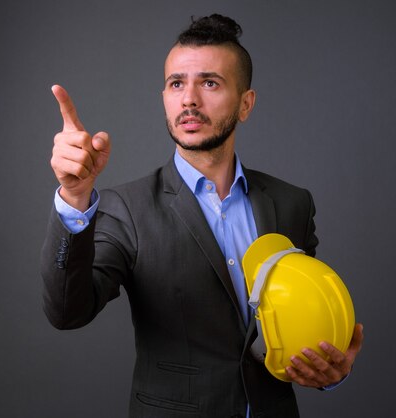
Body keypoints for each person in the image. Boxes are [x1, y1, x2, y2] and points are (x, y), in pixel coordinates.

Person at [41, 13, 363, 418]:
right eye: (177, 84)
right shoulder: (128, 207)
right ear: (164, 97)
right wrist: (73, 197)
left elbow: (299, 324)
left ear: (246, 104)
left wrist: (328, 369)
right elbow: (67, 311)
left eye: (209, 83)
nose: (189, 99)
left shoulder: (293, 203)